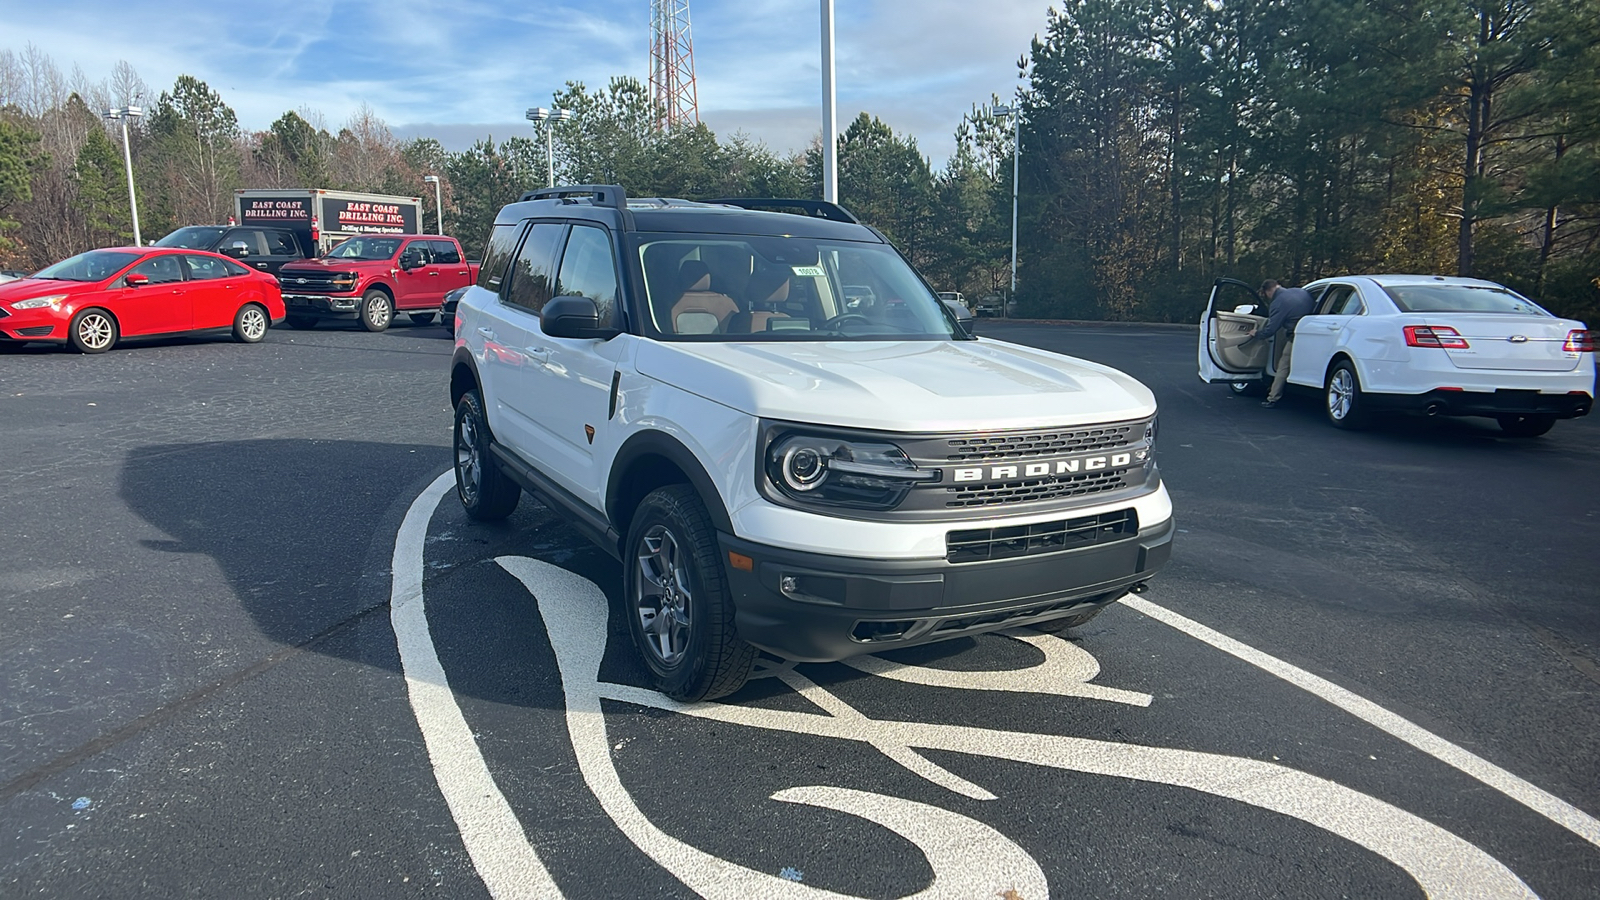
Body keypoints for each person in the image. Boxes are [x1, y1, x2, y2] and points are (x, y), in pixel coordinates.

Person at [1245, 280, 1315, 408]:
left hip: (1296, 336)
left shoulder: (1278, 303)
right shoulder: (1301, 291)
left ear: (1268, 291)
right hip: (1315, 335)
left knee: (1283, 366)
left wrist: (1257, 334)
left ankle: (1273, 397)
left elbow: (1271, 329)